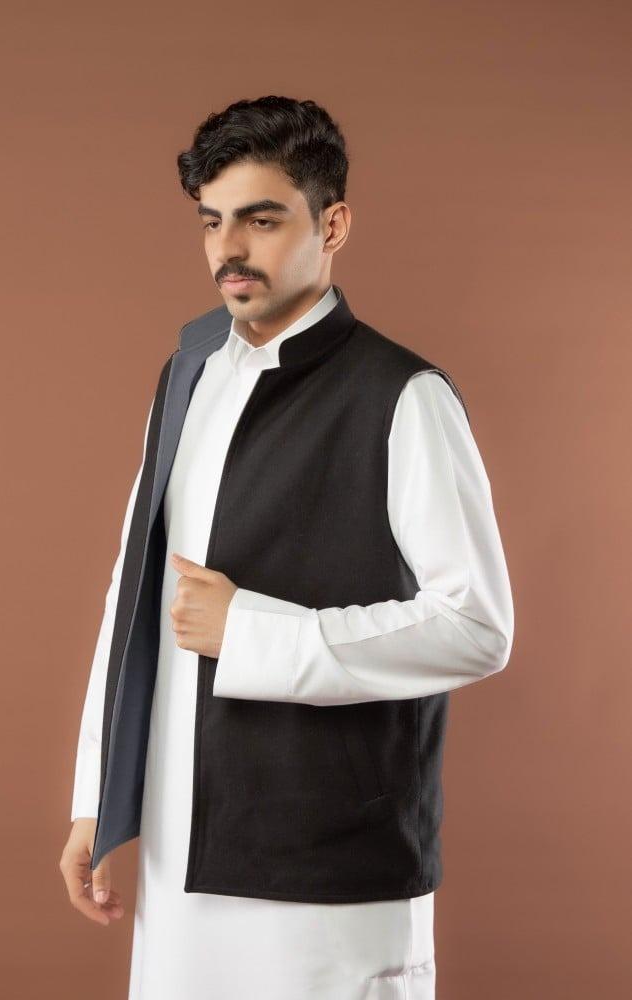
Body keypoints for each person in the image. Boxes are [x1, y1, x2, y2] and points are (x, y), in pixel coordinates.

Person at [60, 96, 514, 1000]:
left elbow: (477, 627)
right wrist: (96, 800)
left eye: (262, 220)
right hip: (180, 855)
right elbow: (134, 595)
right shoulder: (188, 372)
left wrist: (255, 632)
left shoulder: (404, 395)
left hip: (335, 866)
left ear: (331, 225)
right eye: (213, 221)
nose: (229, 250)